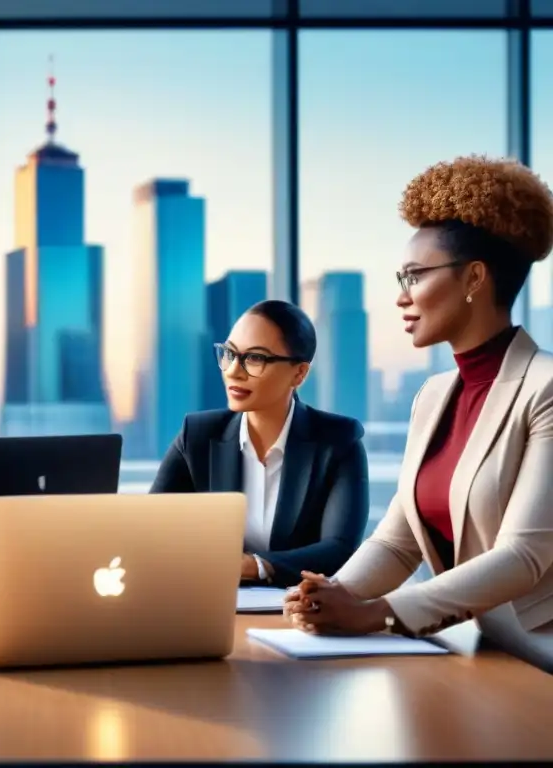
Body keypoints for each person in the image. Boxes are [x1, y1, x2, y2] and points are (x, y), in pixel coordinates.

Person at [285, 155, 553, 647]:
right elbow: (398, 541)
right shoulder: (433, 397)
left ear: (474, 278)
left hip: (540, 651)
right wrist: (330, 594)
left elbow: (523, 556)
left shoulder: (546, 388)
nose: (401, 297)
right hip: (480, 648)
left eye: (415, 276)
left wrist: (377, 615)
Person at [150, 300, 369, 588]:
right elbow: (152, 528)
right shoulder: (199, 435)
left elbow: (339, 548)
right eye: (229, 354)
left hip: (299, 604)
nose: (233, 371)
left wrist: (255, 566)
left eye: (254, 358)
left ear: (299, 373)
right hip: (212, 599)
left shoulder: (338, 440)